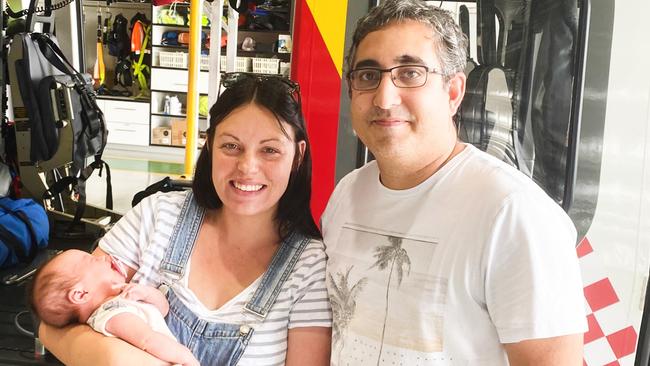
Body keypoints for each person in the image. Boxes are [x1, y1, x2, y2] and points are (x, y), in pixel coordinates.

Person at [321, 0, 587, 365]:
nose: (384, 98)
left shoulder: (514, 214)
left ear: (453, 92)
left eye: (410, 73)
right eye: (368, 76)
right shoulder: (346, 194)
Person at [39, 73, 332, 366]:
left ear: (297, 156)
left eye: (270, 150)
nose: (248, 167)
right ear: (210, 145)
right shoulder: (157, 216)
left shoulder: (309, 266)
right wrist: (115, 357)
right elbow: (55, 320)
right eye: (231, 146)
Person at [27, 249, 199, 366]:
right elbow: (148, 340)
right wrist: (185, 357)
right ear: (80, 294)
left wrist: (146, 294)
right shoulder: (113, 315)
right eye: (92, 259)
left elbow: (163, 310)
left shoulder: (120, 304)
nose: (103, 257)